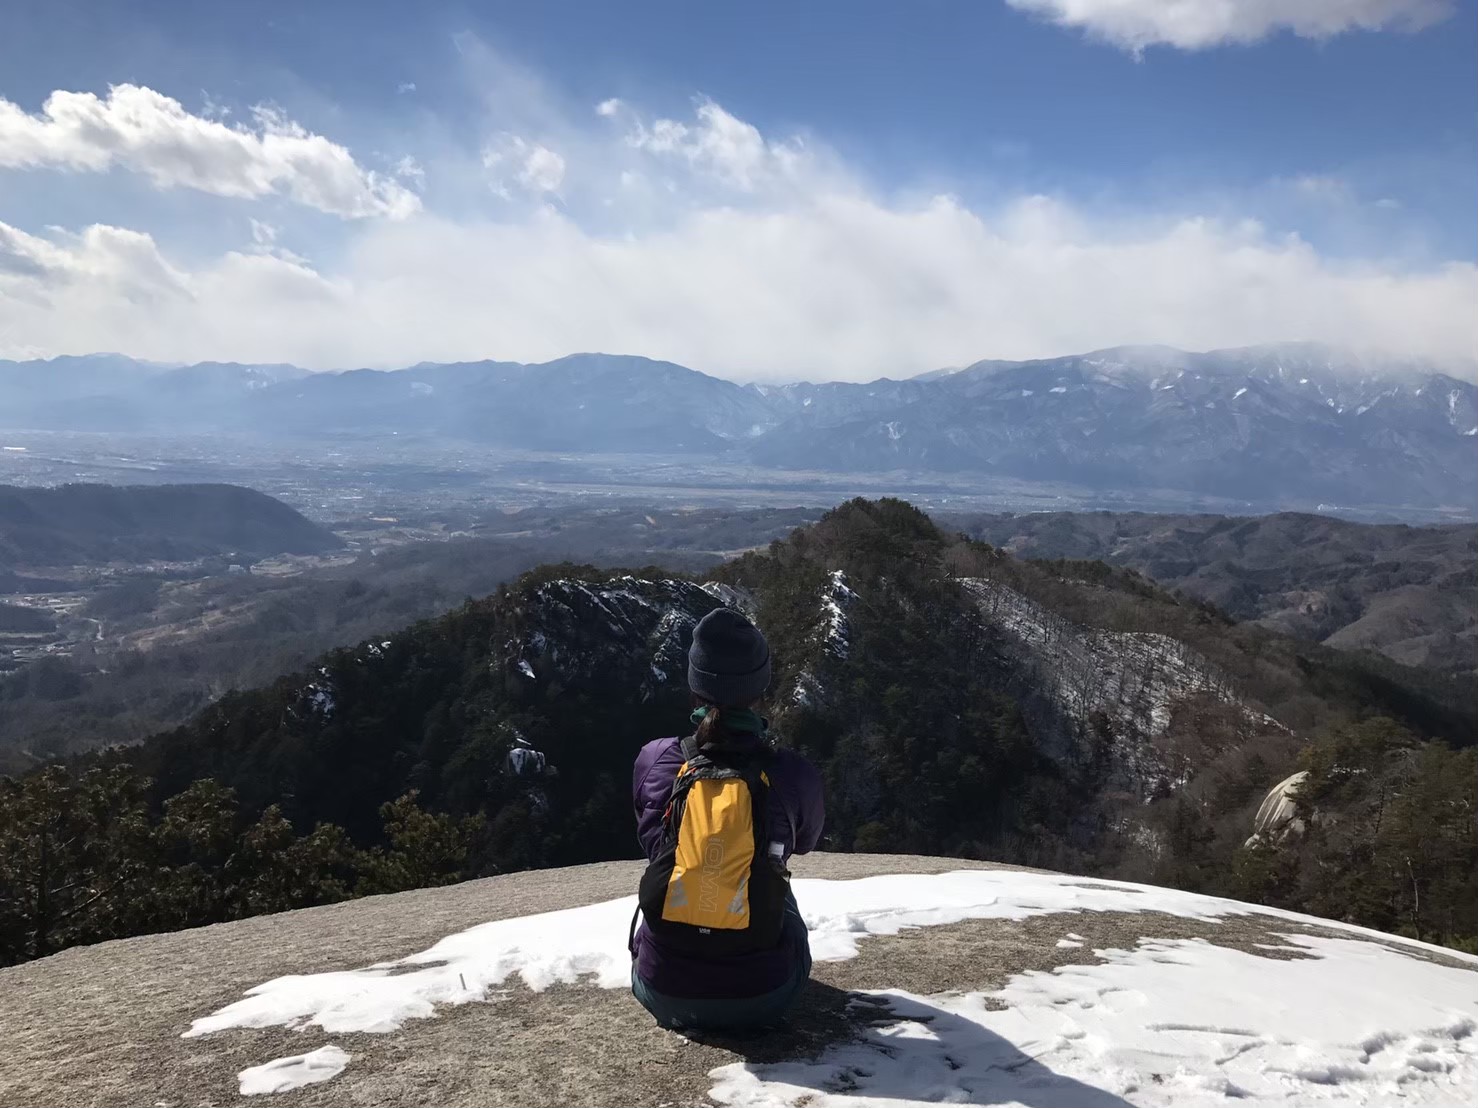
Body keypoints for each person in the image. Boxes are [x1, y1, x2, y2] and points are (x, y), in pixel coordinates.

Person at [630, 607, 825, 1032]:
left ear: (694, 684)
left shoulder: (656, 759)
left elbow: (651, 842)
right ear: (761, 688)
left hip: (662, 990)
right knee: (773, 879)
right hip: (765, 998)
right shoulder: (792, 774)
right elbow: (806, 841)